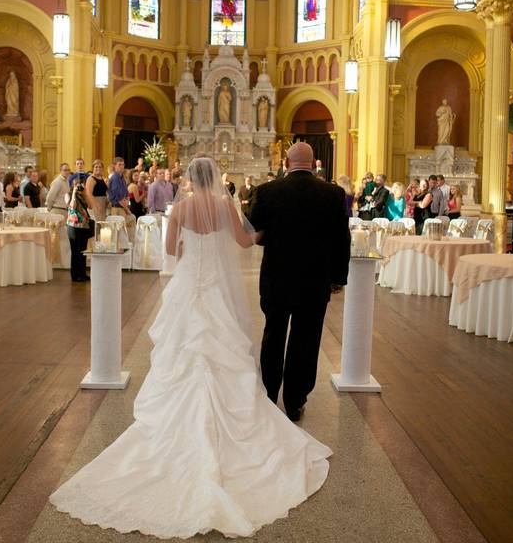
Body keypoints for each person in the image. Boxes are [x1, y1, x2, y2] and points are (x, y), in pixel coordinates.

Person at [50, 157, 332, 538]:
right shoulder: (224, 206)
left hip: (189, 287)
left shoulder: (181, 209)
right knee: (224, 347)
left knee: (181, 351)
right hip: (216, 288)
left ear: (189, 180)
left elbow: (172, 251)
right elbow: (246, 241)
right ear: (214, 180)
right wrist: (268, 234)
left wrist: (193, 261)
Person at [250, 142, 349, 422]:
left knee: (273, 336)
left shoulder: (268, 191)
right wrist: (338, 278)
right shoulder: (333, 194)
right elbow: (342, 240)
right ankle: (294, 402)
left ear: (285, 163)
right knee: (306, 340)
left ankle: (269, 396)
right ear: (314, 163)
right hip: (314, 282)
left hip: (277, 279)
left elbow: (255, 231)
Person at [66, 174, 93, 282]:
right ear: (73, 185)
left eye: (81, 184)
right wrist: (73, 193)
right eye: (77, 184)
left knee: (83, 251)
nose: (79, 186)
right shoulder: (68, 194)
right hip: (73, 226)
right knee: (75, 251)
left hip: (84, 225)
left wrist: (86, 194)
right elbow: (72, 206)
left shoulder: (83, 195)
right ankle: (75, 275)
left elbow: (91, 206)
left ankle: (82, 273)